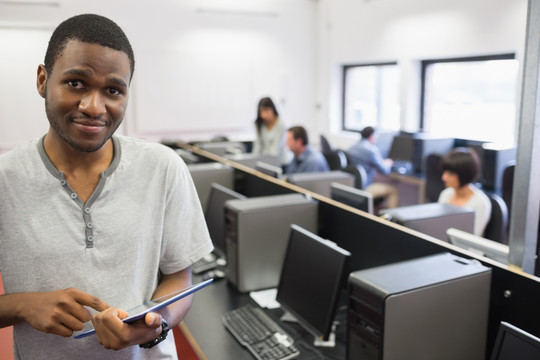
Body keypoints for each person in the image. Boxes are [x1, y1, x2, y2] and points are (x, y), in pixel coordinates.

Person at [0, 14, 213, 359]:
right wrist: (25, 305)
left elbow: (180, 278)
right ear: (43, 80)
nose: (94, 107)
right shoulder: (5, 179)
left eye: (112, 90)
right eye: (76, 83)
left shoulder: (163, 167)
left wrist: (155, 322)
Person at [438, 148, 492, 236]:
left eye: (451, 173)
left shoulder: (480, 202)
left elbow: (472, 237)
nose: (444, 177)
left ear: (464, 174)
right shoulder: (445, 194)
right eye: (445, 172)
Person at [347, 126, 399, 208]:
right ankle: (391, 219)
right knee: (393, 190)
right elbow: (384, 171)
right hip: (365, 187)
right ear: (371, 136)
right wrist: (388, 163)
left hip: (354, 185)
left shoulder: (351, 148)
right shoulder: (371, 150)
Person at [251, 97, 288, 164]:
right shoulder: (259, 124)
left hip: (278, 161)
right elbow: (257, 145)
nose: (263, 115)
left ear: (272, 109)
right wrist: (254, 161)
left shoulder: (280, 124)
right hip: (263, 161)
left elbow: (275, 148)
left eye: (266, 110)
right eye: (261, 111)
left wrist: (267, 162)